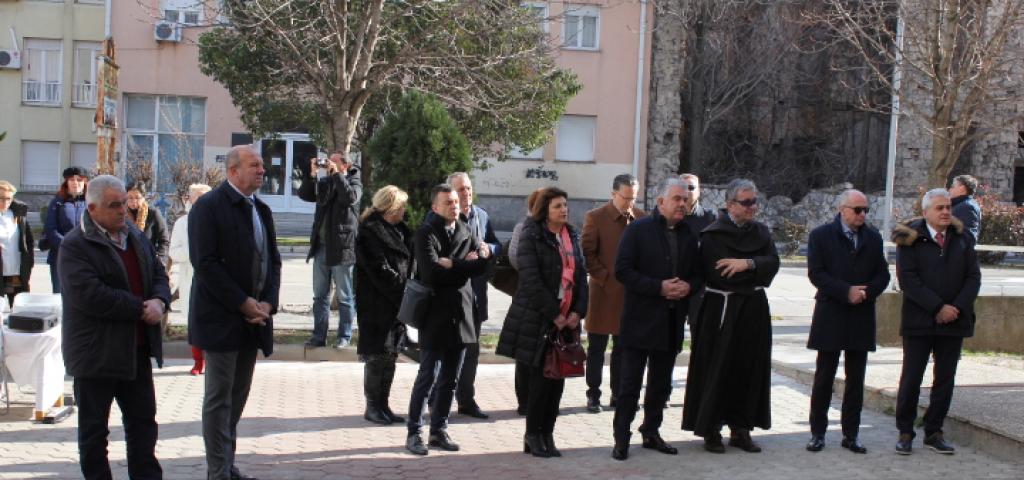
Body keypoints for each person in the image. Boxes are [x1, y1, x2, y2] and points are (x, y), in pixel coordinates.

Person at [58, 175, 171, 480]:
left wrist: (160, 300)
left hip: (135, 351)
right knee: (94, 434)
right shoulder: (75, 245)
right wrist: (140, 307)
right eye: (114, 205)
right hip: (96, 355)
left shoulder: (134, 235)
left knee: (143, 427)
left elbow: (158, 273)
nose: (123, 210)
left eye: (123, 203)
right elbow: (89, 295)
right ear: (92, 208)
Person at [189, 145, 281, 480]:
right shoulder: (208, 207)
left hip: (254, 321)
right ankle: (218, 472)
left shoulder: (261, 209)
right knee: (219, 400)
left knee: (237, 397)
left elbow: (273, 261)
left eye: (262, 165)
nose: (262, 170)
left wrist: (267, 303)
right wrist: (243, 303)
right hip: (221, 320)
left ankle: (227, 466)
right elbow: (206, 264)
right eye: (254, 165)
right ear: (232, 171)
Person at [682, 178, 780, 454]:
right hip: (721, 310)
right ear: (730, 205)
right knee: (717, 369)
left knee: (749, 367)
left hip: (753, 310)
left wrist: (747, 263)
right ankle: (711, 429)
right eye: (746, 202)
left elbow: (773, 264)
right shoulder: (713, 235)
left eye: (754, 202)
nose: (752, 207)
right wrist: (754, 270)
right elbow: (721, 275)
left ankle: (741, 429)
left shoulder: (761, 232)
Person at [611, 178, 702, 461]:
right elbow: (622, 271)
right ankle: (621, 438)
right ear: (661, 202)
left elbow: (699, 274)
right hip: (640, 321)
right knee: (629, 386)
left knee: (661, 386)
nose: (682, 204)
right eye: (677, 199)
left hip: (671, 322)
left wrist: (689, 286)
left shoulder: (689, 234)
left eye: (685, 200)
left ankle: (651, 432)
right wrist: (658, 287)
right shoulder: (638, 230)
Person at [497, 187, 589, 458]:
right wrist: (554, 315)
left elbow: (581, 277)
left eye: (565, 205)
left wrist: (578, 311)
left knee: (557, 382)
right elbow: (530, 281)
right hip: (539, 319)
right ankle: (532, 434)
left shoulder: (571, 235)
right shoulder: (532, 235)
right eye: (558, 206)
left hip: (567, 319)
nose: (564, 210)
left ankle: (547, 433)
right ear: (544, 210)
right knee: (540, 382)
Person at [891, 188, 980, 456]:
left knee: (945, 380)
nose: (945, 212)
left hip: (954, 321)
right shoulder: (909, 239)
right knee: (912, 378)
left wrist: (955, 308)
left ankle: (934, 431)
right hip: (919, 321)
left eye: (948, 207)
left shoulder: (962, 238)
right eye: (939, 208)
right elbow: (908, 280)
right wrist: (938, 307)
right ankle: (905, 431)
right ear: (926, 211)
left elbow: (973, 278)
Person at [405, 184, 490, 456]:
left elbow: (483, 265)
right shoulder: (426, 233)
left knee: (451, 379)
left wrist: (454, 264)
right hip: (436, 315)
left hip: (462, 314)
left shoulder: (466, 229)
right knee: (428, 376)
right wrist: (466, 264)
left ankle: (439, 430)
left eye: (455, 201)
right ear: (435, 207)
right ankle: (414, 432)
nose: (455, 205)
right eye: (448, 202)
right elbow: (431, 273)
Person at [805, 189, 891, 454]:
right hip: (831, 312)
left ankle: (851, 434)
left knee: (856, 379)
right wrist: (846, 291)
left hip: (860, 314)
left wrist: (866, 292)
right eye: (857, 210)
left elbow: (883, 275)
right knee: (824, 376)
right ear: (842, 210)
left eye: (866, 210)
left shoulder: (873, 237)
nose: (862, 214)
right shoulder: (821, 235)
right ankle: (818, 433)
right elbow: (817, 273)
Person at [581, 174, 646, 413]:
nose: (630, 203)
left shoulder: (642, 218)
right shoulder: (595, 217)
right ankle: (593, 394)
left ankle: (618, 394)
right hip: (603, 292)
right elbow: (588, 254)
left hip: (630, 294)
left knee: (623, 349)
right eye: (625, 197)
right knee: (596, 348)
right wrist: (605, 279)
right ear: (613, 194)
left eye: (633, 198)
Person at [355, 185, 414, 425]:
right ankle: (372, 406)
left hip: (396, 303)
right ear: (391, 207)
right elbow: (379, 269)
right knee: (376, 355)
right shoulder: (370, 231)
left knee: (391, 355)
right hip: (376, 303)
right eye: (402, 205)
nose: (405, 210)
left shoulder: (401, 230)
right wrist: (405, 288)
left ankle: (384, 405)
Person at [447, 172, 501, 419]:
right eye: (460, 189)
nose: (466, 193)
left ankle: (466, 400)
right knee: (447, 351)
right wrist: (461, 259)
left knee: (471, 350)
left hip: (477, 294)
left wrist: (489, 249)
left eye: (468, 188)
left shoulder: (481, 215)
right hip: (452, 296)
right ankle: (439, 400)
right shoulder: (444, 218)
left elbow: (496, 243)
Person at [298, 151, 362, 349]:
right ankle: (319, 336)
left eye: (333, 162)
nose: (328, 164)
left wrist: (337, 175)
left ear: (345, 165)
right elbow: (305, 195)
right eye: (328, 161)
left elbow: (350, 198)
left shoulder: (354, 182)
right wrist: (311, 175)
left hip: (342, 248)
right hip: (321, 247)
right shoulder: (325, 182)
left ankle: (344, 336)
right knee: (320, 295)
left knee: (344, 296)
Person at [168, 183, 213, 375]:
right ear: (190, 199)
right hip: (191, 276)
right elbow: (174, 252)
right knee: (195, 321)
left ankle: (212, 362)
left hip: (215, 278)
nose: (202, 200)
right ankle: (198, 361)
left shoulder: (218, 218)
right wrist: (194, 249)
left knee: (213, 321)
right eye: (197, 197)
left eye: (205, 196)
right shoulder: (182, 223)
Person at [508, 189, 541, 416]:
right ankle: (524, 400)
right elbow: (514, 258)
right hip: (527, 297)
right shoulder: (523, 228)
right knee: (525, 352)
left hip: (551, 301)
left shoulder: (559, 230)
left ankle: (540, 399)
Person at [679, 173, 716, 343]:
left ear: (699, 191)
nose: (687, 191)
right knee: (668, 340)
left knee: (700, 338)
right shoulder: (667, 217)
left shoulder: (710, 219)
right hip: (674, 284)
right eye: (683, 187)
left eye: (691, 187)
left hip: (700, 287)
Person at [43, 166, 89, 293]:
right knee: (60, 294)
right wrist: (67, 246)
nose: (75, 183)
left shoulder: (90, 203)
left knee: (83, 294)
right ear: (66, 182)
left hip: (85, 256)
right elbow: (50, 229)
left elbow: (95, 228)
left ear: (85, 182)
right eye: (71, 180)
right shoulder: (57, 202)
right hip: (60, 254)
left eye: (79, 180)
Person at [0, 181, 34, 306]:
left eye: (8, 198)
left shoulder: (19, 215)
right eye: (1, 198)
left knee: (18, 309)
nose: (5, 202)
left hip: (16, 271)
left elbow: (28, 241)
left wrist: (29, 262)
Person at [125, 183, 170, 264]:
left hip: (149, 262)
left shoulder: (153, 214)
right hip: (127, 261)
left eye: (137, 197)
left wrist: (160, 258)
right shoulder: (121, 215)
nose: (133, 201)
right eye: (130, 198)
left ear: (143, 198)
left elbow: (164, 240)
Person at [948, 174, 981, 243]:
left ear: (962, 188)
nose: (949, 189)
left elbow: (968, 238)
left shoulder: (967, 207)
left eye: (952, 186)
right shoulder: (960, 205)